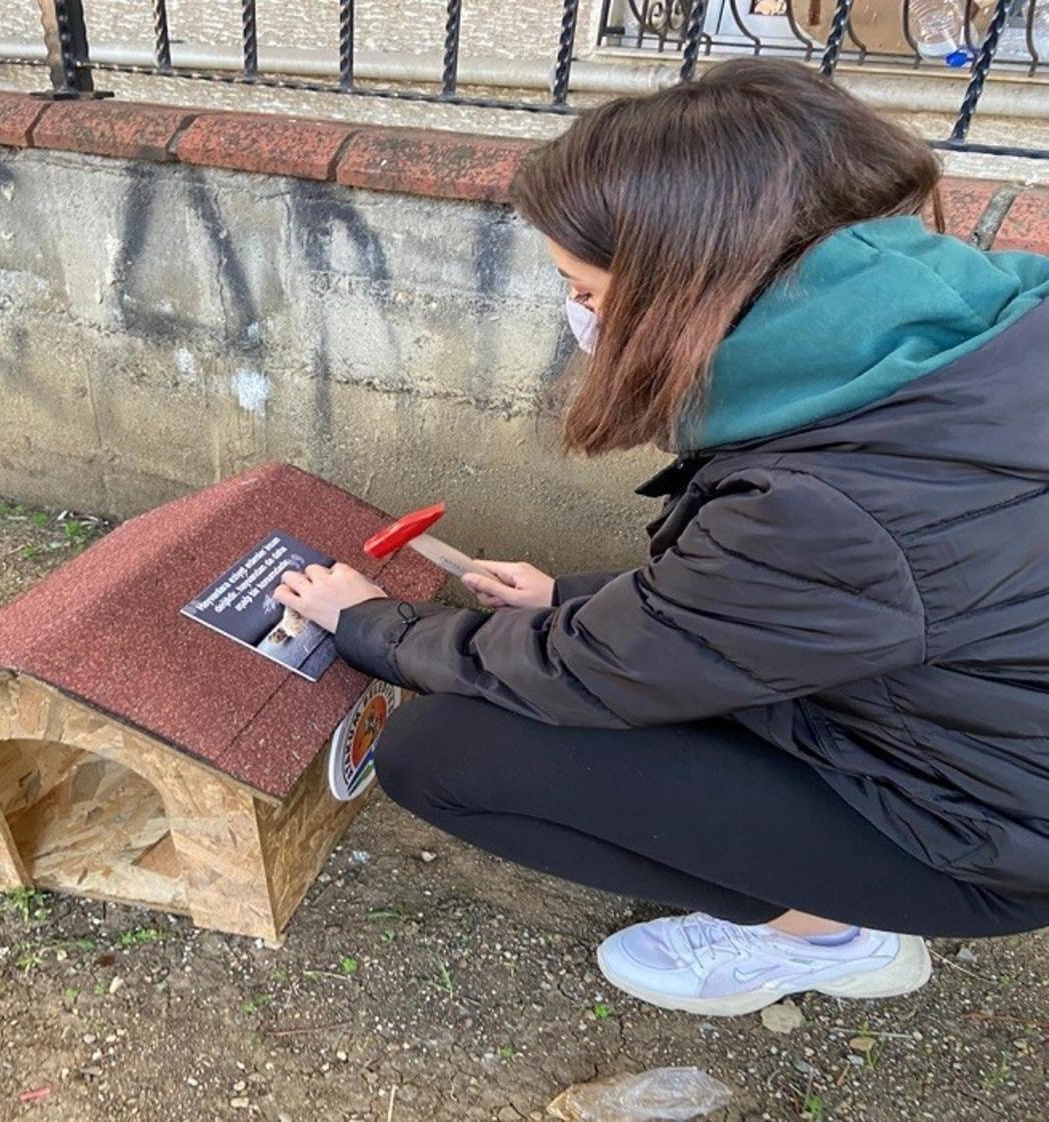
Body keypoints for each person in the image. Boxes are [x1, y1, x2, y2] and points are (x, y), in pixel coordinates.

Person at [272, 58, 1049, 1018]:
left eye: (586, 291)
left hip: (979, 833)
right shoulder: (964, 334)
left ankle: (832, 938)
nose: (581, 318)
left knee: (443, 754)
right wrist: (571, 601)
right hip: (975, 741)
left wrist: (372, 624)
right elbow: (849, 606)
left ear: (687, 286)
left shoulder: (827, 506)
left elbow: (609, 670)